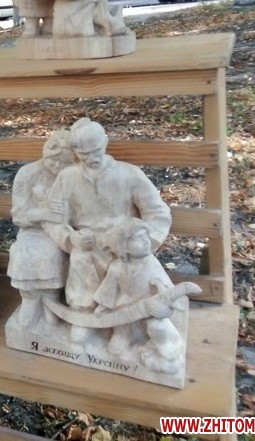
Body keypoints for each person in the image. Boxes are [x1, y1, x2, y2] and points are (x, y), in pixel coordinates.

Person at [47, 118, 172, 342]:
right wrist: (70, 237)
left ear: (105, 142)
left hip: (125, 246)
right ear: (75, 152)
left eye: (96, 151)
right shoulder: (67, 178)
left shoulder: (129, 174)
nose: (91, 158)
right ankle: (85, 314)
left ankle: (130, 322)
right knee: (81, 258)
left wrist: (144, 242)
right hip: (89, 245)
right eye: (84, 154)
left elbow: (157, 212)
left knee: (132, 273)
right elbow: (52, 219)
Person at [94, 218, 184, 367]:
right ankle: (123, 337)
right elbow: (108, 289)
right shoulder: (116, 267)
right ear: (124, 246)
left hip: (148, 308)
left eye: (146, 236)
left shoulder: (152, 264)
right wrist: (102, 306)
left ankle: (162, 344)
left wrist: (165, 306)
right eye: (139, 238)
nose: (146, 241)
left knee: (157, 326)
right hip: (125, 306)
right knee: (120, 323)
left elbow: (166, 287)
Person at [8, 131, 75, 327]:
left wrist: (64, 216)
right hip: (32, 230)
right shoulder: (27, 174)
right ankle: (30, 299)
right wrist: (45, 213)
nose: (57, 167)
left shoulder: (71, 177)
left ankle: (51, 298)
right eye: (54, 161)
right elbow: (19, 215)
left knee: (54, 252)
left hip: (60, 230)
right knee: (22, 252)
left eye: (64, 163)